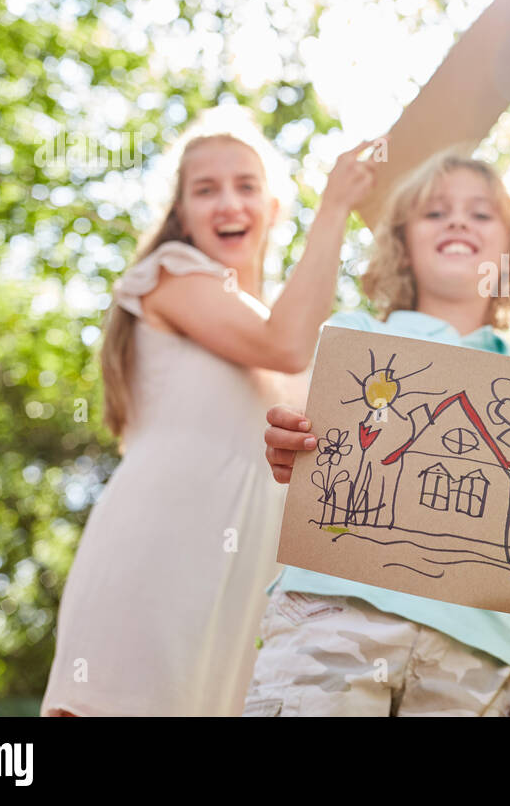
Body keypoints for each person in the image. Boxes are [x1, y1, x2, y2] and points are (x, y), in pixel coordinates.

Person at [41, 108, 377, 716]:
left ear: (273, 208)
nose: (229, 203)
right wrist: (335, 209)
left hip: (244, 576)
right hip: (161, 542)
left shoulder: (281, 330)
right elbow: (285, 340)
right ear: (182, 215)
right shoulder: (172, 274)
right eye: (206, 189)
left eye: (246, 186)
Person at [247, 154, 510, 716]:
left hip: (480, 653)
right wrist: (295, 445)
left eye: (480, 214)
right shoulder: (357, 335)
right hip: (335, 613)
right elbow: (319, 445)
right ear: (402, 244)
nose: (457, 222)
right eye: (436, 212)